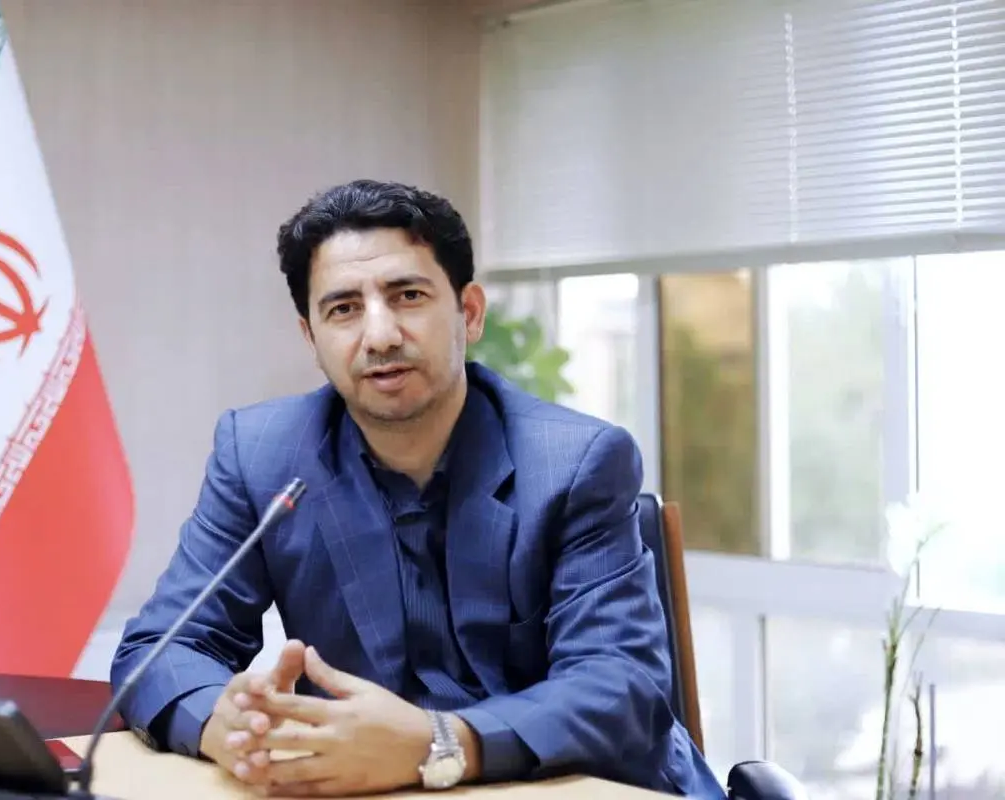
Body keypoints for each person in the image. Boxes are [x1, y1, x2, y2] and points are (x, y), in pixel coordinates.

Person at [110, 179, 726, 799]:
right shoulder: (262, 456)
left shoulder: (574, 462)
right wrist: (220, 723)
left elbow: (621, 687)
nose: (379, 336)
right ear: (311, 338)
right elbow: (161, 647)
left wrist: (442, 742)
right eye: (343, 309)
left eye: (407, 296)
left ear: (469, 313)